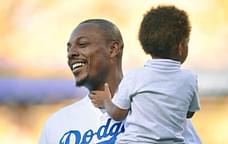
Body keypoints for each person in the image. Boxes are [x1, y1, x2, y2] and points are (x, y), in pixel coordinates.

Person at [39, 18, 201, 144]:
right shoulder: (57, 124)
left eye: (82, 44)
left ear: (113, 49)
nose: (71, 53)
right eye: (68, 48)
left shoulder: (162, 107)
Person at [90, 5, 200, 144]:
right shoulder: (190, 79)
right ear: (180, 47)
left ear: (146, 45)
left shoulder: (134, 77)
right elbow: (189, 113)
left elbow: (117, 115)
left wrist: (106, 100)